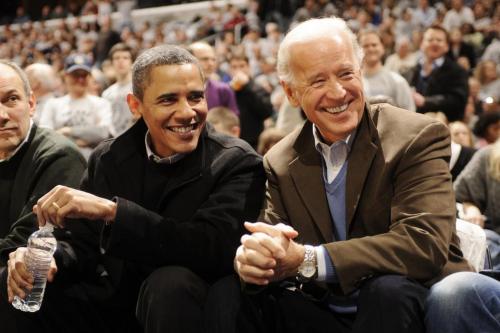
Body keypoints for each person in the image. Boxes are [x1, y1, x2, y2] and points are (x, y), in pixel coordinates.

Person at [206, 17, 475, 333]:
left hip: (412, 302)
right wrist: (259, 260)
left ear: (361, 72)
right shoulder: (279, 160)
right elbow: (278, 242)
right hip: (328, 309)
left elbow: (423, 244)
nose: (337, 93)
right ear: (290, 93)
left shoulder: (416, 135)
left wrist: (310, 259)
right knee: (230, 292)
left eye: (346, 74)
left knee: (386, 290)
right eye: (318, 82)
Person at [4, 45, 266, 333]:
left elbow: (212, 249)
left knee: (169, 284)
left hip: (191, 304)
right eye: (168, 100)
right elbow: (81, 244)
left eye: (195, 97)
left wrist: (112, 212)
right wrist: (48, 256)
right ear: (135, 106)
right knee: (15, 287)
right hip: (115, 304)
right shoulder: (108, 158)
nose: (186, 112)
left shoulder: (237, 160)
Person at [0, 60, 86, 332]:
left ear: (31, 104)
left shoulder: (59, 157)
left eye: (11, 99)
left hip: (57, 295)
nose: (1, 115)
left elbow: (26, 244)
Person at [39, 54, 113, 159]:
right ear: (66, 76)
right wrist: (85, 140)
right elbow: (46, 137)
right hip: (62, 162)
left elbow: (103, 133)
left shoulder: (102, 103)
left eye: (84, 75)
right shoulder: (53, 104)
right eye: (76, 75)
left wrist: (67, 131)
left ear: (90, 77)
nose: (80, 79)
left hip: (93, 164)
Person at [406, 25, 469, 122]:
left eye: (439, 40)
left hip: (444, 126)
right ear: (422, 44)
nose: (434, 43)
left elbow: (458, 100)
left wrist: (426, 102)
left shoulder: (458, 71)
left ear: (447, 46)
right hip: (413, 124)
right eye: (430, 40)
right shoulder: (411, 70)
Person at [359, 30, 415, 111]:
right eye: (365, 46)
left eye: (374, 45)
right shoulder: (354, 82)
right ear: (358, 51)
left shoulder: (397, 81)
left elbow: (411, 113)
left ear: (382, 48)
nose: (370, 49)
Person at [229, 52, 274, 149]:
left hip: (254, 144)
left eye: (242, 66)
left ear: (248, 67)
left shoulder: (257, 88)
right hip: (231, 143)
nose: (238, 70)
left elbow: (267, 112)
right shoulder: (226, 90)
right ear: (230, 70)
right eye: (234, 67)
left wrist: (247, 85)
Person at [188, 42, 240, 115]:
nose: (211, 64)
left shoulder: (224, 90)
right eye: (205, 59)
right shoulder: (178, 89)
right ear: (189, 61)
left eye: (213, 60)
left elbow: (232, 122)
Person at [102, 43, 138, 136]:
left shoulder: (139, 88)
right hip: (113, 140)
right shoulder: (106, 93)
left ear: (132, 62)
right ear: (112, 63)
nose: (121, 61)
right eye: (117, 58)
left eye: (125, 58)